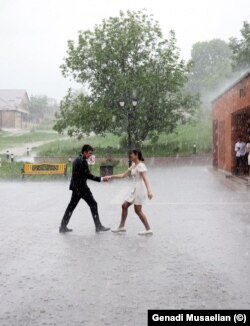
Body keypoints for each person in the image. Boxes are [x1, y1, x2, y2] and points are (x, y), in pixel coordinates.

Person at [59, 144, 110, 233]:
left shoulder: (77, 159)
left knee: (71, 207)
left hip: (76, 188)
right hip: (81, 189)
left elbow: (79, 175)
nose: (90, 155)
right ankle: (98, 226)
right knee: (93, 204)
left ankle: (63, 226)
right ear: (84, 152)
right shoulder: (82, 161)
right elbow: (88, 175)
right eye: (89, 153)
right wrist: (102, 179)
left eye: (91, 153)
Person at [109, 149, 153, 235]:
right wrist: (111, 176)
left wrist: (149, 191)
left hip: (140, 189)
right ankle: (121, 227)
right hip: (135, 189)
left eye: (131, 155)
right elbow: (123, 175)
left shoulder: (141, 165)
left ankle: (148, 229)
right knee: (124, 206)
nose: (130, 156)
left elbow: (145, 179)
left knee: (138, 210)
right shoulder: (134, 165)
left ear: (136, 155)